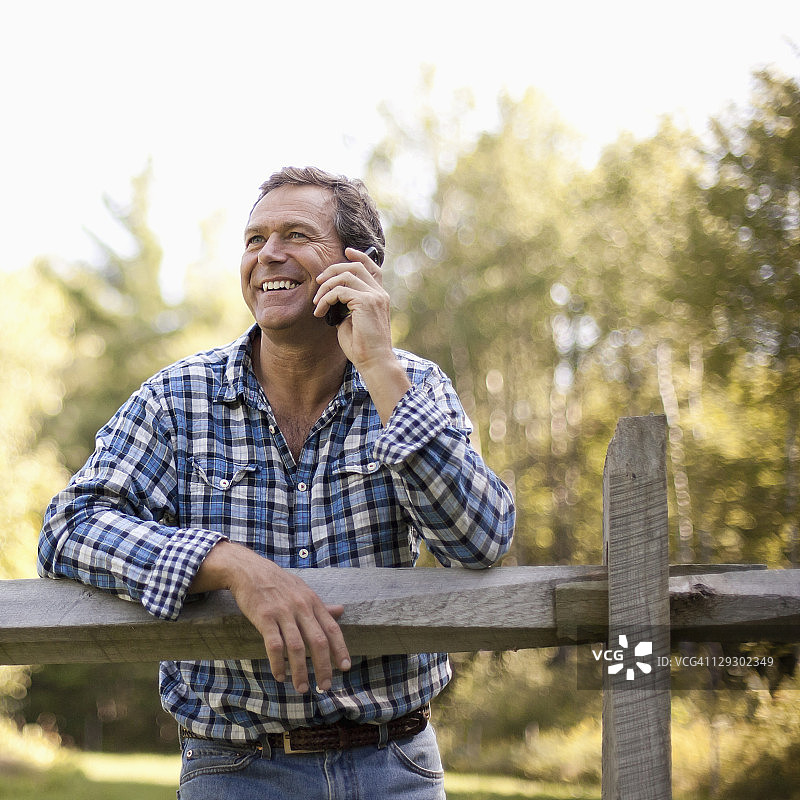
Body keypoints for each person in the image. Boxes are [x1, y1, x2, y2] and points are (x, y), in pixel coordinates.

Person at [38, 166, 515, 799]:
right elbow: (68, 530)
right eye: (255, 239)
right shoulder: (179, 398)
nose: (269, 255)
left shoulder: (413, 389)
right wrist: (228, 564)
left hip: (395, 765)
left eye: (295, 234)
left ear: (359, 267)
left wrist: (378, 366)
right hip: (234, 770)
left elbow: (480, 541)